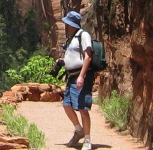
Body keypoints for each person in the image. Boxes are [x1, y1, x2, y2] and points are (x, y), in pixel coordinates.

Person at [57, 10, 97, 150]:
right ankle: (78, 130)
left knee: (82, 108)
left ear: (71, 24)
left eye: (67, 23)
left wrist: (81, 76)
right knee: (67, 105)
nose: (65, 26)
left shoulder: (83, 35)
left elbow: (88, 57)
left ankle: (87, 139)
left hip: (81, 76)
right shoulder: (72, 37)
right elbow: (75, 55)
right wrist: (64, 61)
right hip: (71, 77)